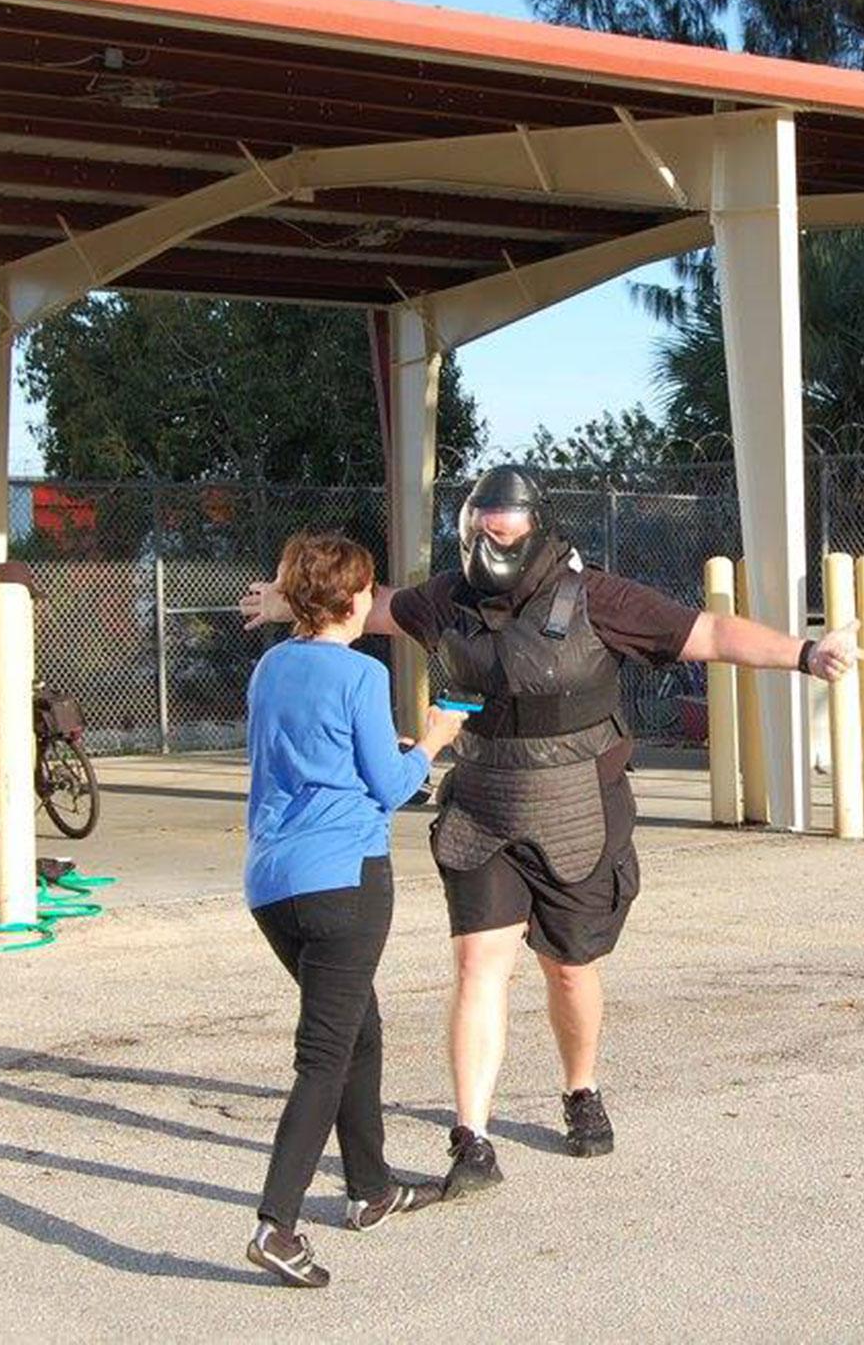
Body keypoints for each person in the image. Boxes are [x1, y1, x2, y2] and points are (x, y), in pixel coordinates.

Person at [241, 467, 864, 1200]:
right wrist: (291, 597)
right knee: (480, 966)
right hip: (484, 800)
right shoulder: (447, 598)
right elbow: (365, 609)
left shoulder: (597, 597)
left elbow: (708, 633)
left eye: (505, 530)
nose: (492, 542)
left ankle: (581, 1088)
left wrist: (804, 653)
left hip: (577, 799)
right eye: (483, 529)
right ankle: (472, 1137)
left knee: (569, 967)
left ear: (536, 527)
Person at [241, 531, 467, 1288]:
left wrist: (391, 753)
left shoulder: (272, 665)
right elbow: (392, 785)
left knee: (358, 1029)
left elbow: (314, 755)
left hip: (273, 882)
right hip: (343, 878)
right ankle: (277, 1224)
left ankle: (370, 1189)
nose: (373, 600)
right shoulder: (361, 675)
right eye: (369, 589)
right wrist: (433, 738)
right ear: (353, 598)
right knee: (325, 1055)